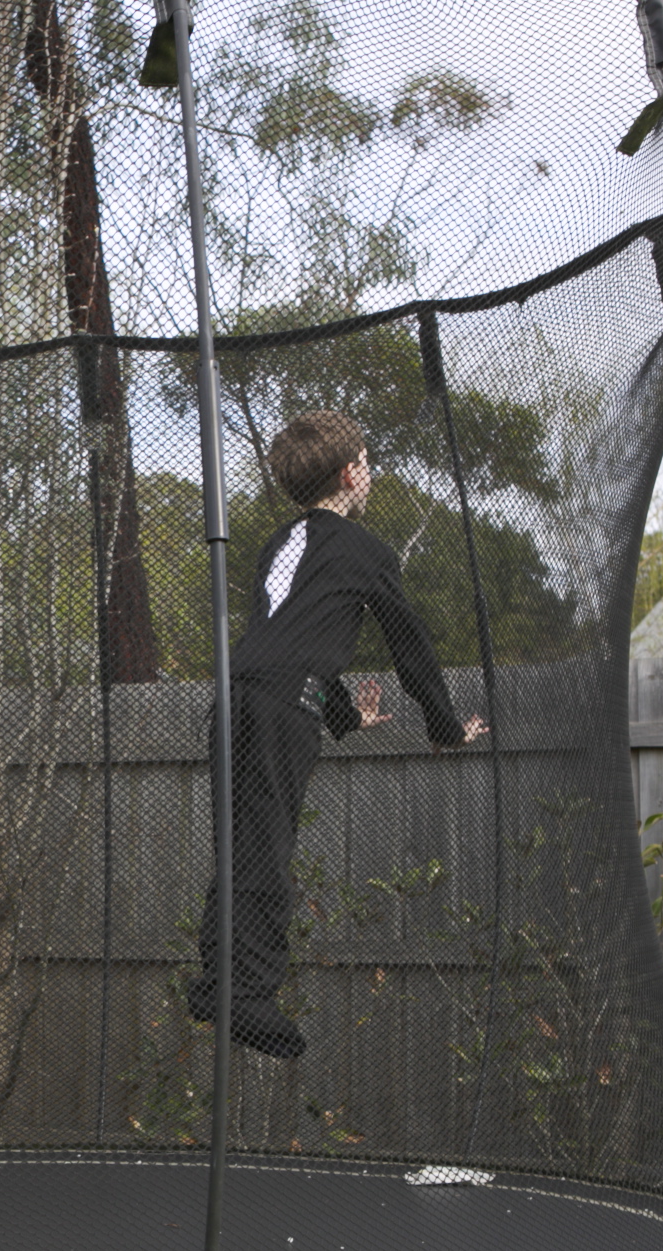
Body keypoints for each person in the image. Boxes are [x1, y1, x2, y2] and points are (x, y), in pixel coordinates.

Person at [190, 410, 488, 1060]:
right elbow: (410, 649)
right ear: (352, 473)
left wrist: (345, 715)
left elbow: (289, 643)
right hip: (275, 714)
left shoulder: (279, 544)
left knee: (238, 847)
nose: (370, 473)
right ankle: (247, 996)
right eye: (369, 463)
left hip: (235, 697)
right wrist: (442, 724)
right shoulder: (366, 553)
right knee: (264, 850)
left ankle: (216, 981)